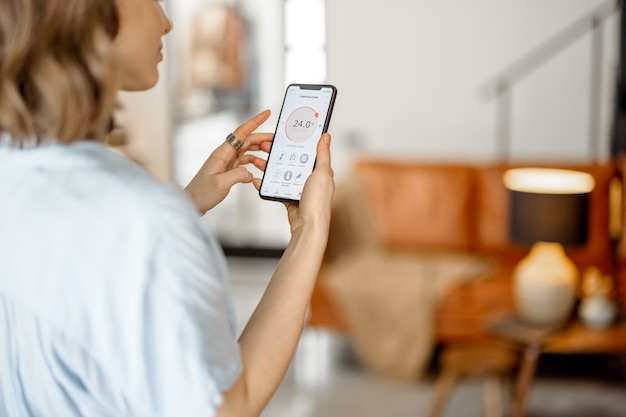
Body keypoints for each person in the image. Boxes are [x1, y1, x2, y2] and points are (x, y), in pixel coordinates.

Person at [0, 0, 335, 416]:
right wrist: (310, 231)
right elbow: (231, 405)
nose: (167, 19)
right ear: (88, 15)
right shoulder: (146, 223)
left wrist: (185, 202)